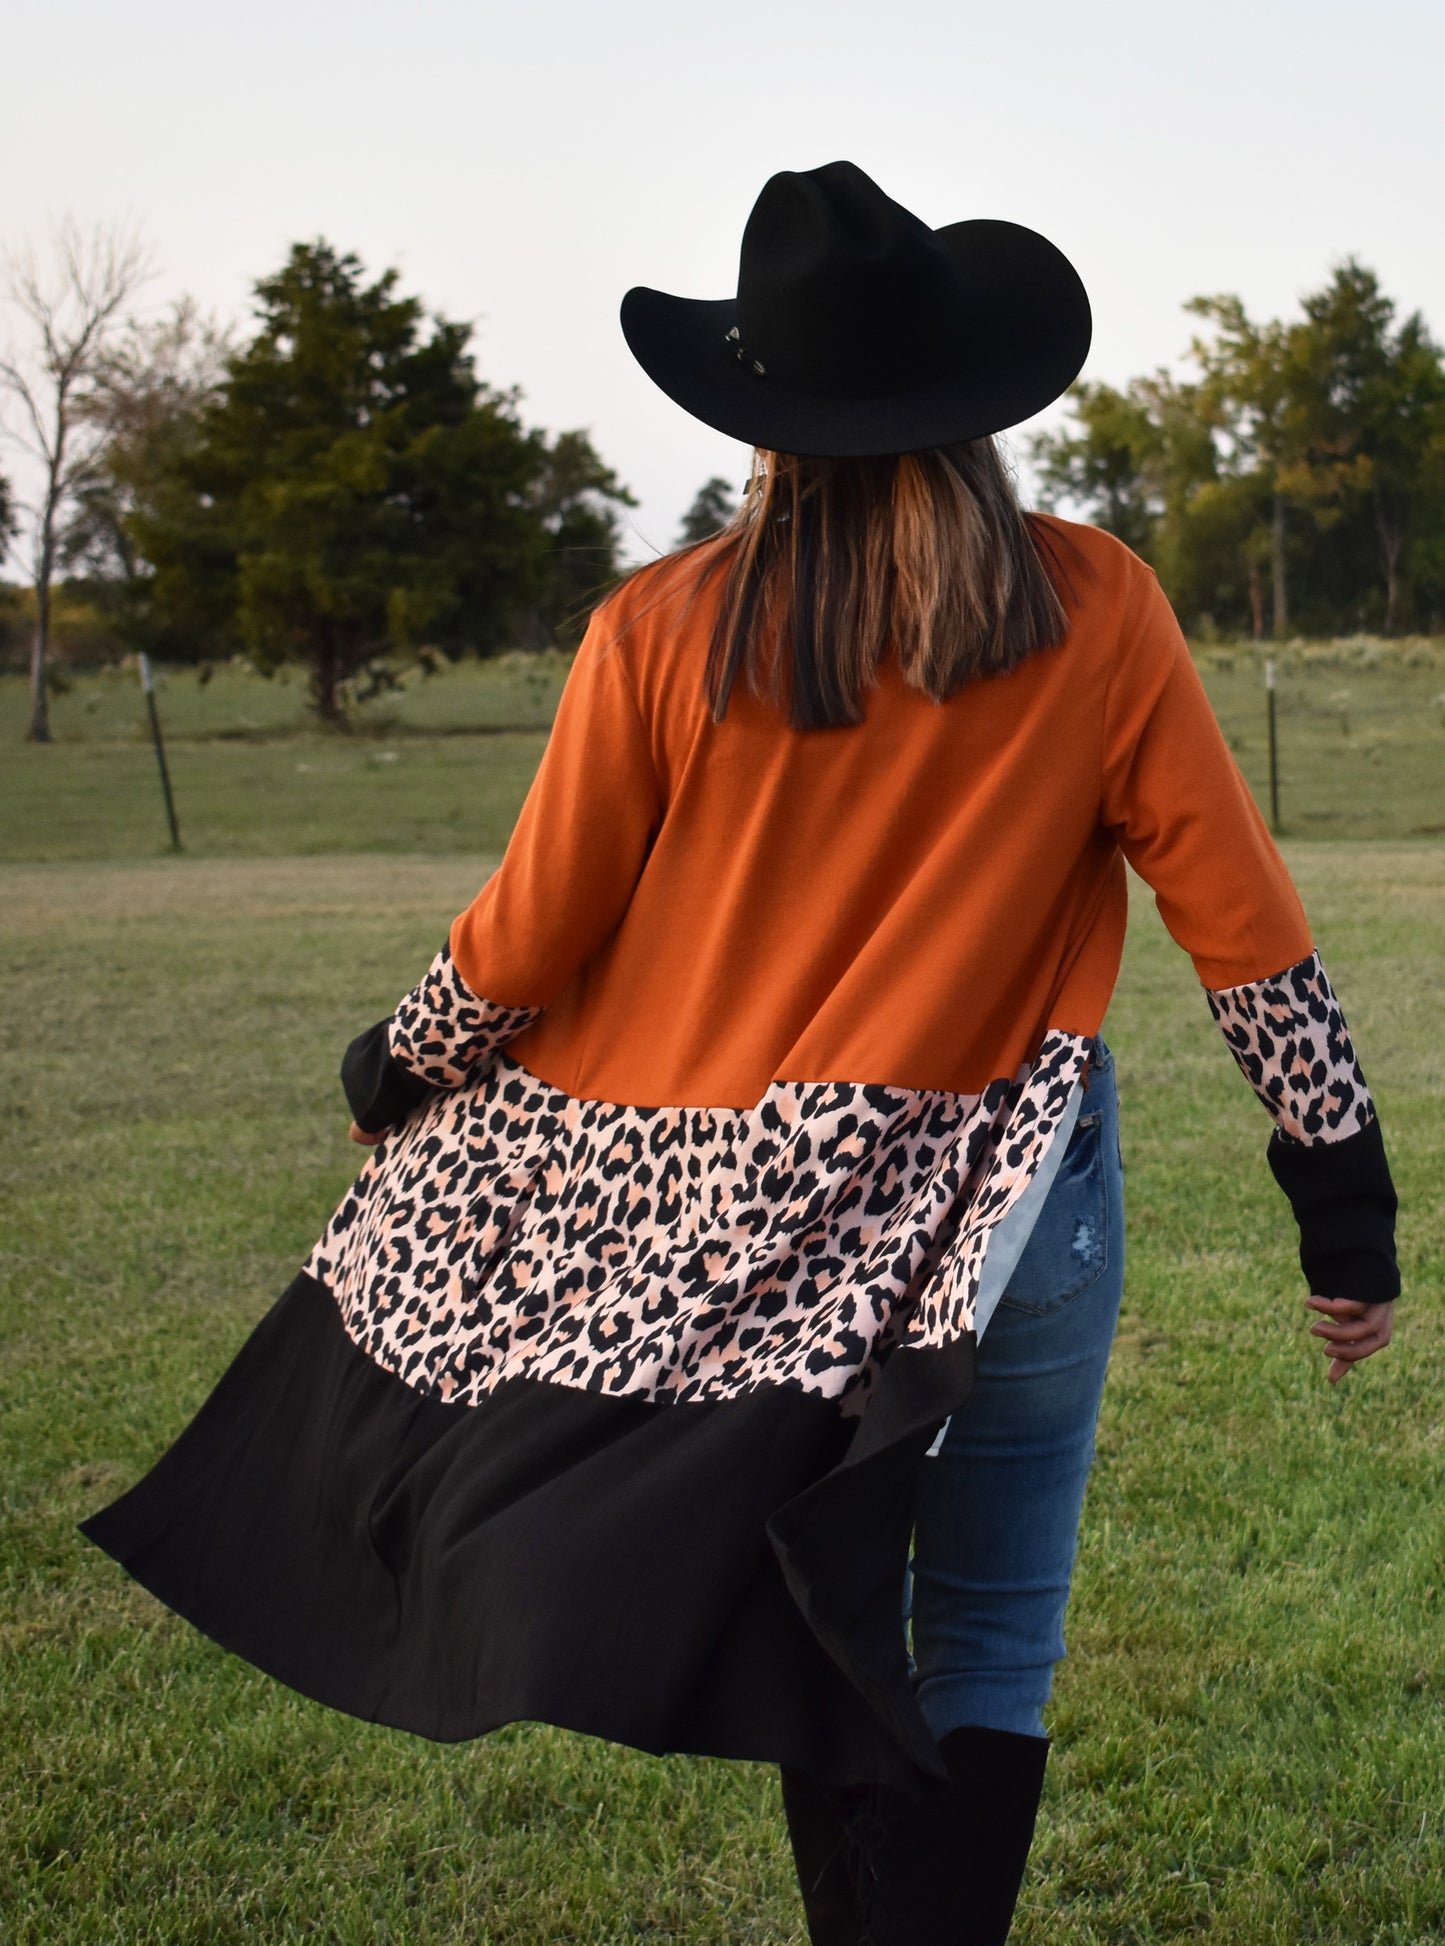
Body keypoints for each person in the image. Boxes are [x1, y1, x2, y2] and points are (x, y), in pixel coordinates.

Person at [82, 163, 1399, 1944]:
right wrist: (1344, 1215)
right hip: (1016, 1203)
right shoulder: (1097, 605)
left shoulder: (661, 625)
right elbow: (1241, 933)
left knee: (824, 1608)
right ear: (968, 396)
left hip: (747, 1232)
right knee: (991, 1631)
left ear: (760, 413)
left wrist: (394, 1064)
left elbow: (527, 939)